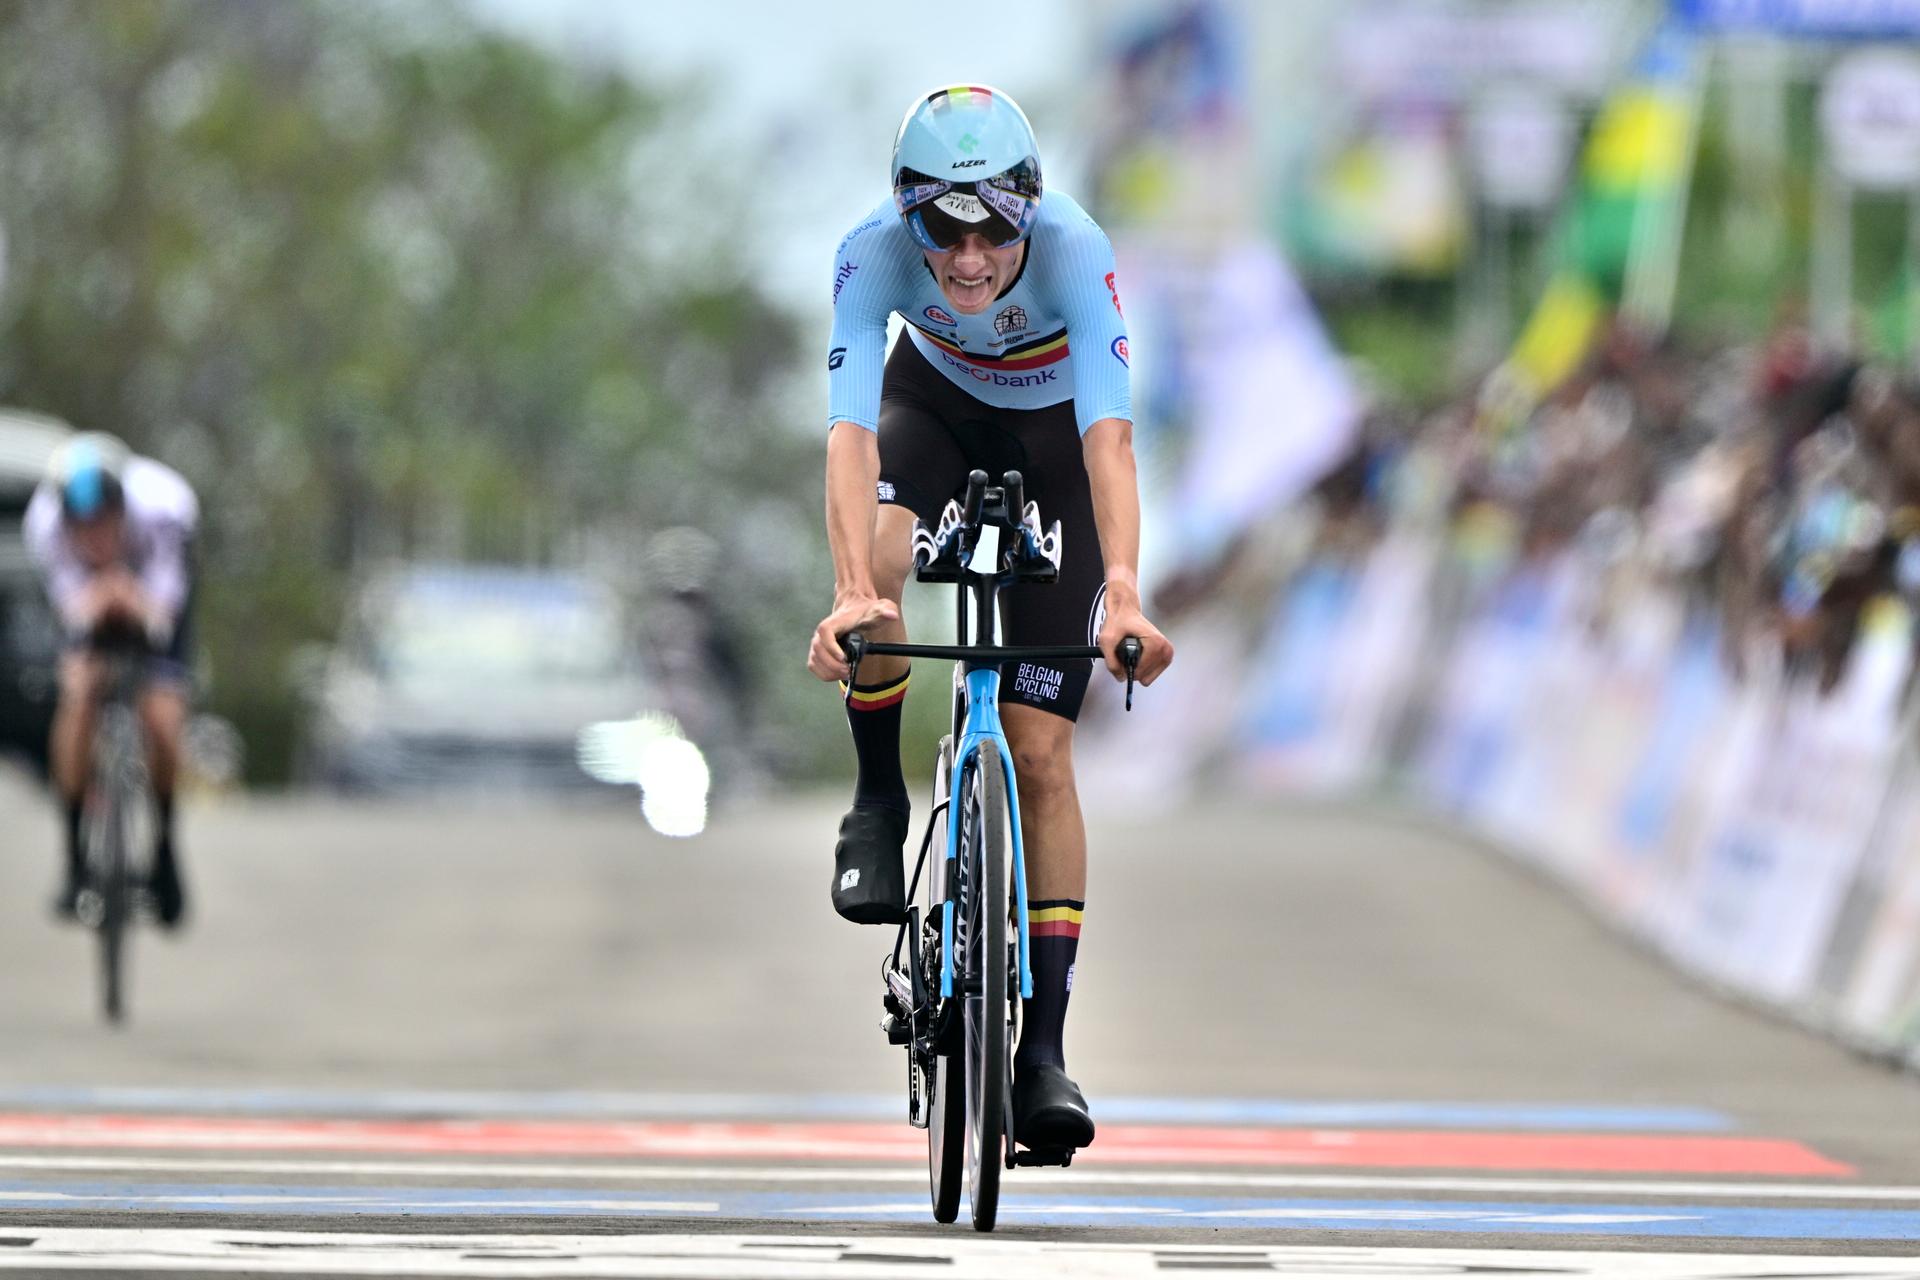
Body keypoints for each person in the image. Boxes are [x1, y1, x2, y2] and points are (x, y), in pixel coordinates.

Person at [806, 85, 1175, 1150]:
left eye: (992, 231)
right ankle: (878, 797)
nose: (967, 259)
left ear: (1029, 208)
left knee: (1042, 752)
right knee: (880, 574)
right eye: (942, 231)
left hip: (1057, 442)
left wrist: (1126, 593)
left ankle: (1043, 1051)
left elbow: (1110, 441)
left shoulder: (1075, 249)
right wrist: (850, 591)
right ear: (905, 215)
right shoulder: (869, 253)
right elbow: (849, 437)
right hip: (932, 410)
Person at [23, 433, 199, 928]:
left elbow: (165, 614)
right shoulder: (46, 527)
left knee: (163, 716)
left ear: (124, 511)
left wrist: (136, 600)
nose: (96, 540)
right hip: (91, 601)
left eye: (106, 525)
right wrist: (96, 602)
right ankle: (75, 856)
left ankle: (164, 853)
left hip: (156, 593)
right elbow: (71, 611)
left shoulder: (166, 511)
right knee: (78, 696)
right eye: (84, 530)